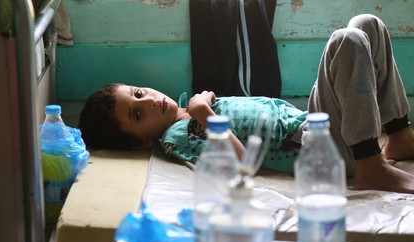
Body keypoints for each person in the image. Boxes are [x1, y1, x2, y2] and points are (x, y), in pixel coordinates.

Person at [78, 14, 414, 194]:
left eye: (138, 94)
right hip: (320, 151)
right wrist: (205, 115)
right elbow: (243, 167)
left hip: (313, 122)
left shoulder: (187, 105)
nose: (150, 102)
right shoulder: (177, 138)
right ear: (142, 143)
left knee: (367, 24)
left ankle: (399, 133)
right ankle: (369, 164)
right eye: (137, 114)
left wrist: (198, 105)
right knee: (347, 40)